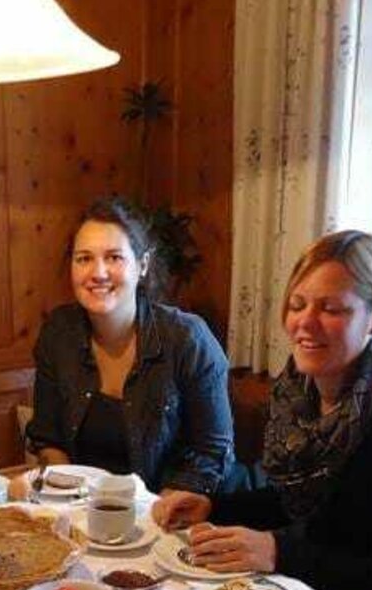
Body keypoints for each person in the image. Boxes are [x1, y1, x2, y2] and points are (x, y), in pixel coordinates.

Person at [154, 230, 372, 590]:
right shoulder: (299, 389)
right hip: (321, 581)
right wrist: (214, 506)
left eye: (331, 309)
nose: (305, 322)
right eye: (297, 304)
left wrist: (276, 552)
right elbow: (294, 498)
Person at [25, 196, 238, 495]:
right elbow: (47, 438)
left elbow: (213, 452)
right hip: (85, 511)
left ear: (143, 265)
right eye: (84, 258)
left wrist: (154, 511)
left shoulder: (187, 338)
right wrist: (69, 499)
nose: (98, 273)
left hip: (169, 512)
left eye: (114, 257)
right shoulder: (58, 333)